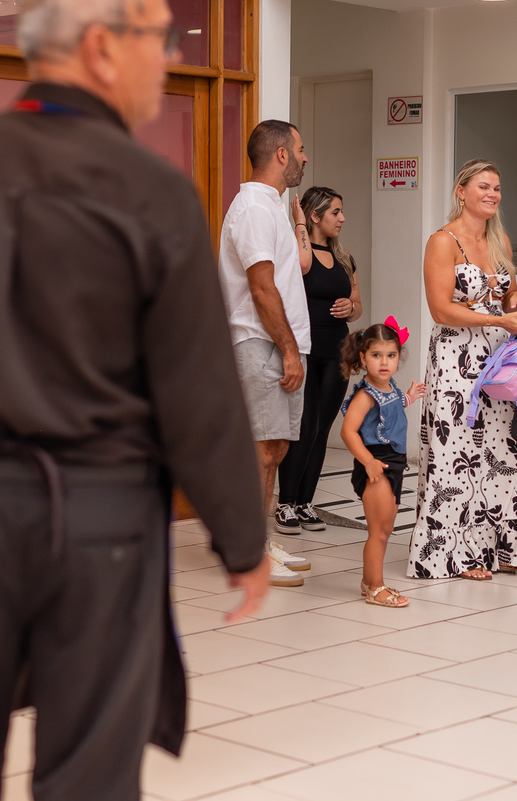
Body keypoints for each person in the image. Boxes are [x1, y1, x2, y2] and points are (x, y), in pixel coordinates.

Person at [0, 1, 270, 799]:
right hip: (102, 518)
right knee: (90, 771)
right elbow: (196, 392)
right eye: (156, 38)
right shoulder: (152, 192)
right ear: (101, 47)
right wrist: (242, 537)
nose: (168, 58)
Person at [408, 158, 517, 581]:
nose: (492, 194)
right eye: (483, 186)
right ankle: (459, 553)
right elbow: (441, 309)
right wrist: (496, 319)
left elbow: (510, 293)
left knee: (508, 449)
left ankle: (514, 548)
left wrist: (516, 306)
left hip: (501, 361)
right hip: (457, 360)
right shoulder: (442, 241)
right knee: (458, 453)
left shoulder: (500, 241)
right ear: (461, 191)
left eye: (497, 188)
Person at [218, 119, 314, 586]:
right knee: (260, 451)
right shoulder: (253, 208)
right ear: (281, 154)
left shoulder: (272, 206)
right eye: (299, 149)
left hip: (276, 342)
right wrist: (290, 351)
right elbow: (261, 288)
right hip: (262, 342)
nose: (304, 157)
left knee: (272, 448)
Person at [275, 186, 362, 534]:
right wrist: (298, 223)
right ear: (315, 216)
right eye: (335, 212)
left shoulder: (345, 259)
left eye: (341, 212)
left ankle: (305, 502)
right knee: (303, 427)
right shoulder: (298, 251)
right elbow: (302, 263)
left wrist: (351, 308)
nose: (342, 219)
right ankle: (285, 503)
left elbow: (358, 304)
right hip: (305, 348)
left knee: (323, 428)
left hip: (337, 351)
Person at [339, 320, 425, 607]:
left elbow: (394, 408)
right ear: (363, 358)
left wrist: (410, 398)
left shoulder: (390, 388)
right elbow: (348, 431)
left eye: (391, 355)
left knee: (386, 529)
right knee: (377, 531)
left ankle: (368, 580)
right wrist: (368, 462)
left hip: (395, 464)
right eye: (376, 355)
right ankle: (375, 587)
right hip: (376, 463)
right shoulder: (365, 395)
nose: (384, 362)